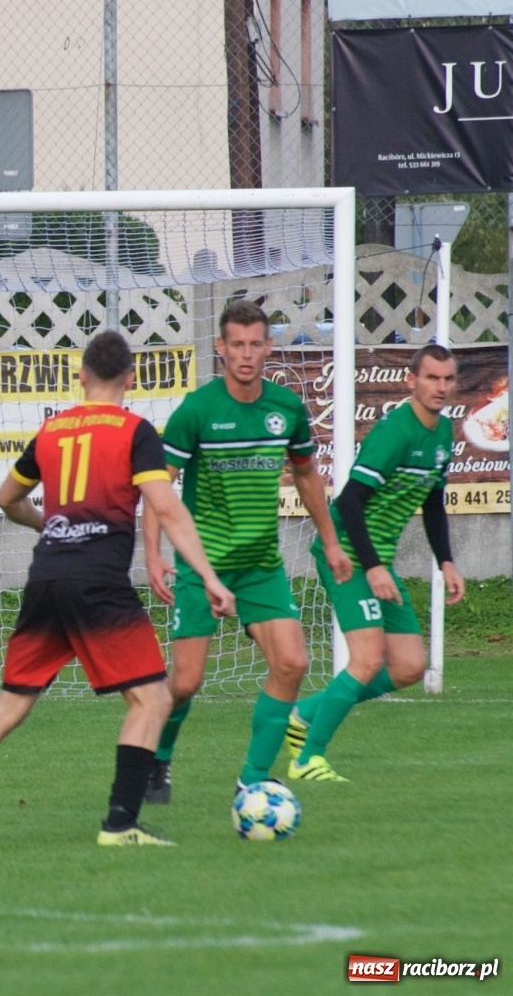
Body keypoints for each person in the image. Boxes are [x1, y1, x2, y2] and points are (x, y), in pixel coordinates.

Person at [0, 330, 234, 847]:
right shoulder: (135, 432)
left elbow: (8, 498)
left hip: (48, 578)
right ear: (130, 379)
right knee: (151, 700)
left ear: (81, 376)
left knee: (11, 704)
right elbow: (166, 507)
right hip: (98, 583)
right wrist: (210, 576)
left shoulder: (53, 431)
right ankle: (121, 825)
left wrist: (49, 525)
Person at [140, 301, 352, 802]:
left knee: (294, 663)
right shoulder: (197, 410)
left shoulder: (285, 408)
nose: (247, 354)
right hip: (201, 566)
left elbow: (305, 474)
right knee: (187, 682)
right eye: (237, 344)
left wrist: (330, 538)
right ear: (220, 348)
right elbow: (159, 489)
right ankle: (157, 761)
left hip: (261, 567)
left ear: (269, 347)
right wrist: (152, 554)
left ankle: (253, 777)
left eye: (256, 343)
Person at [282, 344, 463, 782]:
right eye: (432, 378)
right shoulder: (394, 433)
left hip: (378, 561)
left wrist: (447, 562)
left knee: (408, 667)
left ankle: (304, 713)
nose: (440, 387)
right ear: (412, 381)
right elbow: (349, 502)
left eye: (448, 379)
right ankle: (307, 758)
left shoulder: (443, 433)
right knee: (365, 659)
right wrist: (373, 565)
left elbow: (433, 501)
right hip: (347, 556)